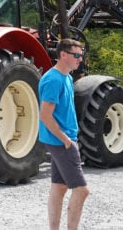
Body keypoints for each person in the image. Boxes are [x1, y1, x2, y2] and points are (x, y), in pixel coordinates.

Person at [39, 38, 90, 230]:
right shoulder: (53, 80)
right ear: (63, 55)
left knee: (59, 186)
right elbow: (45, 115)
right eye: (76, 55)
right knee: (82, 190)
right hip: (61, 141)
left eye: (81, 55)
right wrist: (66, 140)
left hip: (62, 139)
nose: (80, 59)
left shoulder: (66, 77)